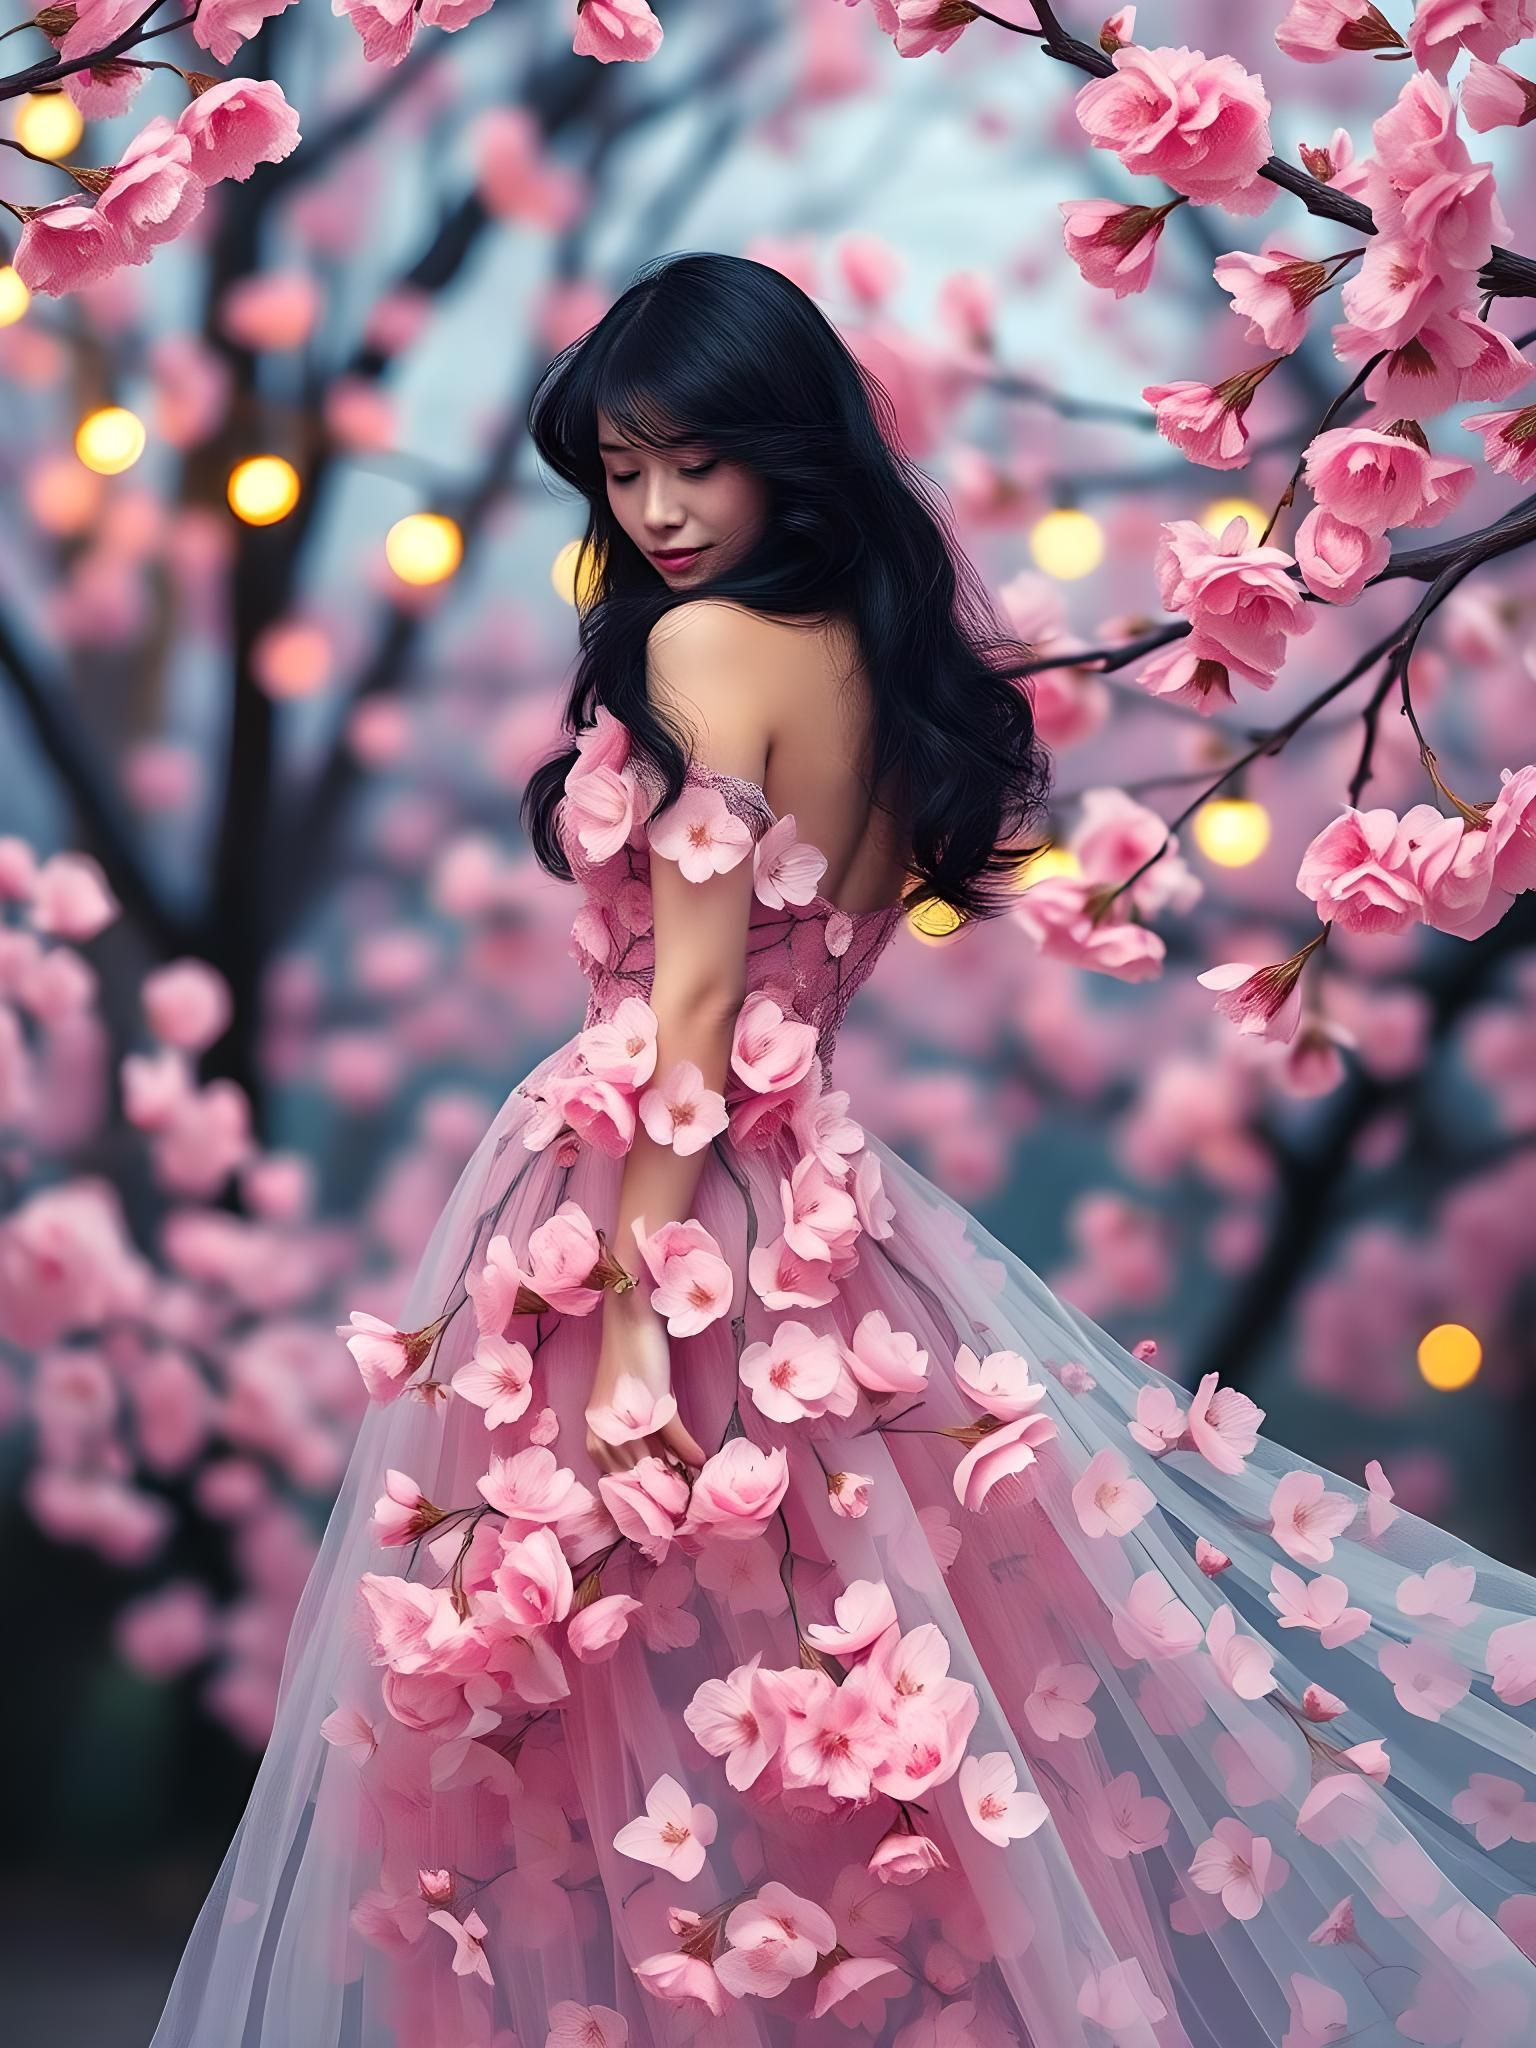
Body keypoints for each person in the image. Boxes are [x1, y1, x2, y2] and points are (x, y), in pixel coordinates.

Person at [150, 253, 1536, 2048]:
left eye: (692, 465)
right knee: (831, 1715)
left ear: (784, 451)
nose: (651, 512)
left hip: (645, 1211)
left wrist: (633, 1306)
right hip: (822, 1223)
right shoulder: (883, 667)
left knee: (588, 1727)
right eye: (621, 471)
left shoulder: (704, 647)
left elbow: (697, 1017)